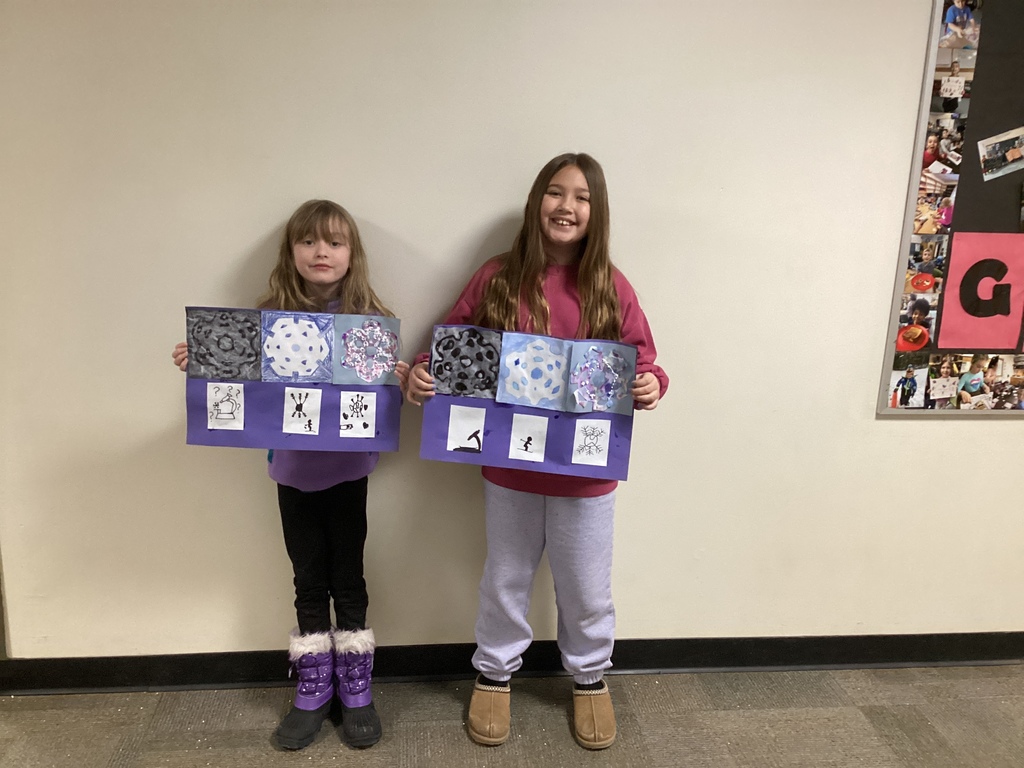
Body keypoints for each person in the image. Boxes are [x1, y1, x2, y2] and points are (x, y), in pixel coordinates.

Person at [405, 153, 668, 751]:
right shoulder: (498, 275)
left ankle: (590, 677)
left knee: (586, 586)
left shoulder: (611, 284)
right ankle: (494, 673)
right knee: (506, 575)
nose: (566, 206)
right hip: (509, 469)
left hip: (587, 475)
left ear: (596, 212)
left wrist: (652, 383)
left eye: (581, 196)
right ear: (536, 202)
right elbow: (451, 343)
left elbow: (642, 358)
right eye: (555, 192)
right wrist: (422, 374)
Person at [172, 200, 409, 751]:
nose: (321, 251)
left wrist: (395, 376)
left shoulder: (368, 323)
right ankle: (313, 686)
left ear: (352, 255)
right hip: (292, 474)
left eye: (333, 242)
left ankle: (355, 686)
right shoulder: (266, 320)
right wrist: (204, 360)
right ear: (291, 252)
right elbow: (242, 393)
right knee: (307, 580)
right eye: (308, 242)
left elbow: (383, 401)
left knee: (347, 576)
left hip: (350, 471)